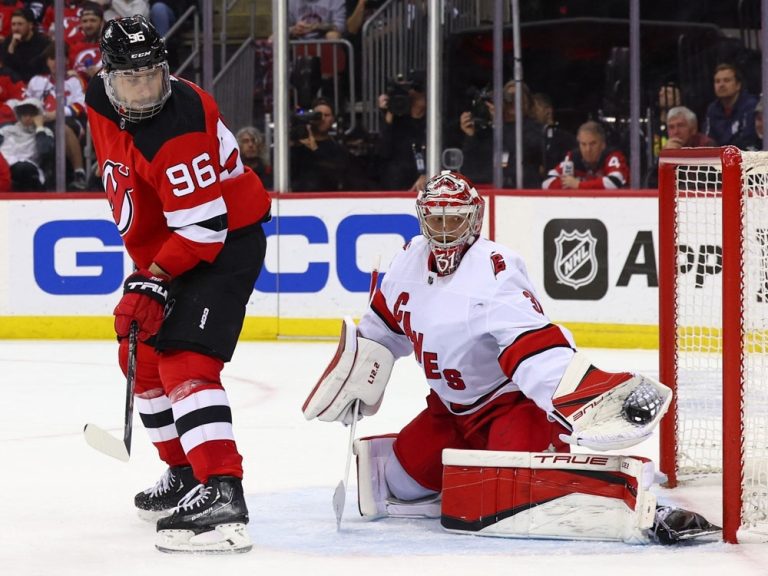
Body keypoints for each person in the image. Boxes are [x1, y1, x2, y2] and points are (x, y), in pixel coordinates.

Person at [302, 170, 719, 544]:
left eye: (455, 218)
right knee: (400, 483)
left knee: (511, 495)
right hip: (449, 411)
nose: (445, 229)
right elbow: (383, 330)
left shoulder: (495, 272)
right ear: (421, 218)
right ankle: (477, 472)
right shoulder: (408, 260)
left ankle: (631, 495)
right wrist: (356, 376)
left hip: (510, 408)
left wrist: (586, 401)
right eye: (436, 218)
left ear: (475, 219)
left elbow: (536, 352)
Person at [85, 15, 271, 554]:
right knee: (137, 355)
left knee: (187, 361)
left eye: (152, 76)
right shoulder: (100, 97)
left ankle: (223, 492)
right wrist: (150, 276)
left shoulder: (177, 131)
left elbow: (205, 229)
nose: (143, 91)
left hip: (222, 244)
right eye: (130, 79)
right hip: (176, 248)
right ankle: (185, 472)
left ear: (166, 71)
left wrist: (154, 279)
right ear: (108, 76)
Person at [459, 80, 545, 188]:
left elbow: (523, 151)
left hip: (524, 191)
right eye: (509, 98)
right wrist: (471, 136)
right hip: (492, 190)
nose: (512, 101)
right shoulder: (490, 131)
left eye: (517, 97)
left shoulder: (535, 129)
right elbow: (470, 167)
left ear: (527, 103)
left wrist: (498, 124)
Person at [25, 43, 88, 189]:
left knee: (62, 128)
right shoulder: (36, 81)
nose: (56, 62)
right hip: (41, 121)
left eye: (60, 58)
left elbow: (82, 105)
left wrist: (57, 114)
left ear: (66, 60)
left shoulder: (74, 81)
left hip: (70, 122)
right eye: (52, 58)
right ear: (47, 61)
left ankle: (79, 173)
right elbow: (27, 103)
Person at [375, 69, 427, 191]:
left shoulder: (434, 123)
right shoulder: (397, 120)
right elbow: (383, 152)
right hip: (396, 187)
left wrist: (429, 175)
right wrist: (388, 112)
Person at [542, 120, 629, 190]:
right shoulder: (572, 157)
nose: (588, 149)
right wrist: (569, 184)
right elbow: (547, 183)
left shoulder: (613, 156)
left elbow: (614, 182)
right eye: (583, 144)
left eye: (593, 144)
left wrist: (579, 185)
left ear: (603, 145)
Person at [290, 96, 348, 191]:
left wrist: (314, 148)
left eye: (327, 115)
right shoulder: (299, 144)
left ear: (333, 119)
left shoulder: (337, 149)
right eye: (318, 115)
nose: (322, 119)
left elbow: (334, 174)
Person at [0, 97, 54, 191]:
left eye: (31, 113)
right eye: (24, 113)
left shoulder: (45, 132)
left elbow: (45, 151)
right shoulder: (6, 130)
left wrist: (39, 128)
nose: (27, 117)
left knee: (23, 168)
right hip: (4, 168)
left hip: (28, 170)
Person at [704, 63, 758, 147]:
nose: (721, 85)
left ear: (738, 85)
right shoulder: (712, 109)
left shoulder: (750, 105)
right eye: (717, 81)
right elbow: (708, 139)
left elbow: (748, 138)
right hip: (719, 156)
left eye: (727, 80)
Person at [0, 8, 50, 82]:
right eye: (13, 24)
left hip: (35, 82)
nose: (16, 28)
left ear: (30, 25)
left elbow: (31, 68)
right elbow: (5, 68)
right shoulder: (9, 41)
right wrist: (11, 48)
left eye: (20, 24)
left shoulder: (43, 43)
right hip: (14, 86)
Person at [236, 125, 272, 189]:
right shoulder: (235, 170)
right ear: (239, 145)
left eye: (253, 141)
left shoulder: (267, 169)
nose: (250, 145)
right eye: (246, 141)